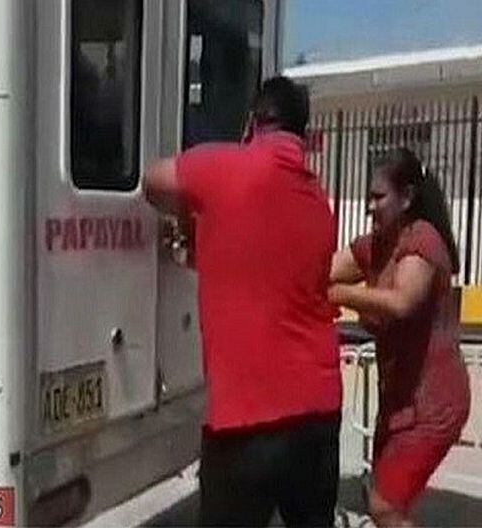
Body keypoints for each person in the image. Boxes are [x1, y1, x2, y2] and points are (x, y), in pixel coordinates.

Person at [143, 76, 341, 527]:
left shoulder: (224, 167)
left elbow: (152, 182)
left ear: (253, 122)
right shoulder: (318, 202)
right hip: (318, 412)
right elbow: (264, 272)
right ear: (304, 133)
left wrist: (190, 214)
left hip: (248, 420)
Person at [329, 148, 470, 527]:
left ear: (406, 198)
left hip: (433, 404)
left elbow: (401, 302)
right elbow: (321, 270)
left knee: (384, 505)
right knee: (388, 504)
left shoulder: (423, 240)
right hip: (398, 404)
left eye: (379, 197)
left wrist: (338, 295)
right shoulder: (376, 245)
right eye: (369, 197)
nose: (369, 206)